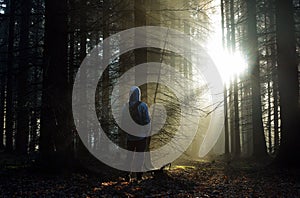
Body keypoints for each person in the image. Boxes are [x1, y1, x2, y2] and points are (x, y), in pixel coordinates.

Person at [120, 86, 151, 181]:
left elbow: (122, 122)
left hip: (130, 137)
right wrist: (147, 131)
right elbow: (146, 121)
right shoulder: (143, 106)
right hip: (141, 136)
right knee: (140, 157)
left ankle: (127, 175)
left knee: (129, 156)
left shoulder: (125, 106)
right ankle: (138, 177)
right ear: (138, 94)